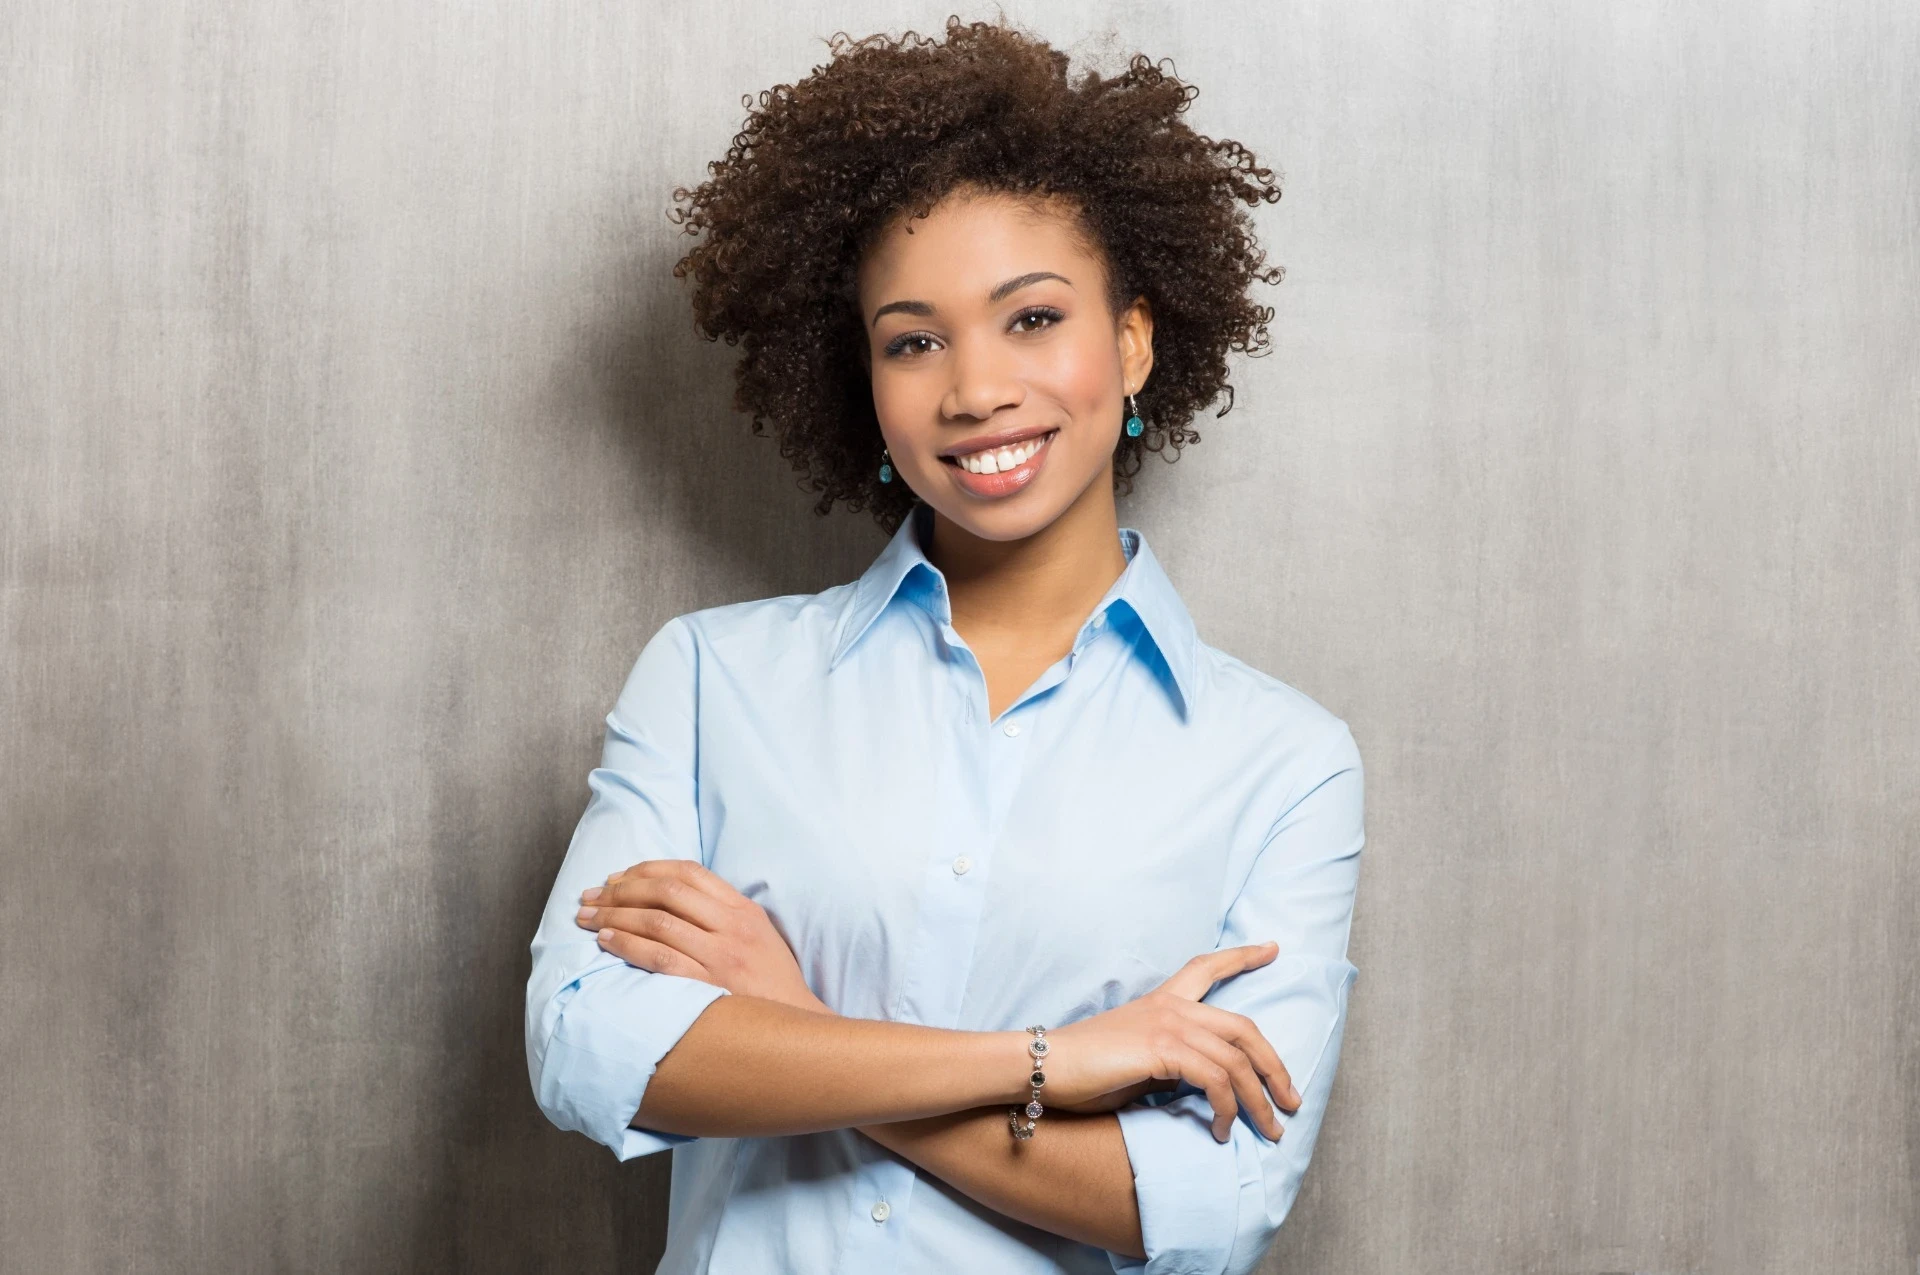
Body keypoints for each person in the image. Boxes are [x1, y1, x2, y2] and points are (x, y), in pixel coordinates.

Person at [524, 18, 1365, 1274]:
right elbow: (588, 1053)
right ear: (863, 378)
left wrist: (786, 1021)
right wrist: (1048, 1067)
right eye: (914, 340)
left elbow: (1208, 1208)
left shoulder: (1283, 765)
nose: (974, 390)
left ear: (1134, 342)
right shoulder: (711, 682)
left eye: (1032, 318)